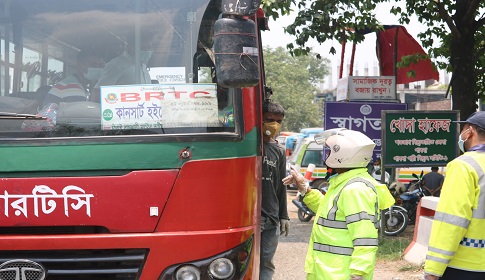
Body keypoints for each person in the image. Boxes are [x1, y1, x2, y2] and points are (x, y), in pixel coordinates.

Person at [282, 128, 394, 280]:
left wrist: (358, 273)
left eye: (331, 151)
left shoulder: (355, 189)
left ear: (343, 155)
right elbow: (328, 211)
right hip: (327, 272)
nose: (328, 156)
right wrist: (306, 189)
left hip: (340, 274)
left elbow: (364, 237)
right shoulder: (344, 183)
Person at [423, 111, 485, 280]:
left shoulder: (463, 166)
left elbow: (452, 221)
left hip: (467, 265)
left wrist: (433, 270)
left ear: (469, 131)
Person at [260, 100, 290, 280]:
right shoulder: (247, 145)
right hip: (250, 218)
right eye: (270, 119)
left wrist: (283, 216)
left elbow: (280, 185)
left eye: (279, 122)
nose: (275, 125)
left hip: (270, 219)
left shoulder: (278, 150)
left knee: (266, 264)